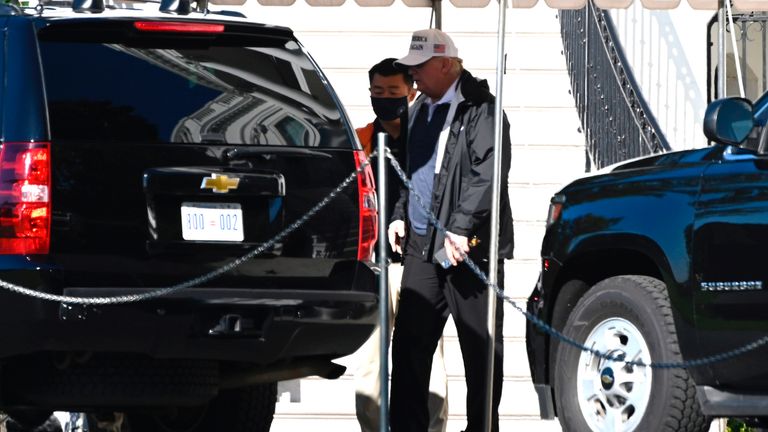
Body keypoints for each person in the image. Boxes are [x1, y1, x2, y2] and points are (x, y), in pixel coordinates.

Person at [388, 29, 514, 432]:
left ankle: (480, 428)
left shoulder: (484, 110)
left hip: (468, 247)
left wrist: (460, 228)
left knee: (480, 352)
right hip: (421, 246)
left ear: (446, 64)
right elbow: (412, 171)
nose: (413, 76)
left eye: (419, 67)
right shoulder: (418, 109)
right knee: (408, 348)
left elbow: (488, 175)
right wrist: (399, 214)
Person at [353, 58, 449, 432]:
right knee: (371, 364)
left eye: (393, 92)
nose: (385, 100)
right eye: (378, 93)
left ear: (411, 92)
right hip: (375, 266)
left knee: (429, 362)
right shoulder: (362, 140)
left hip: (420, 265)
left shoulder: (428, 139)